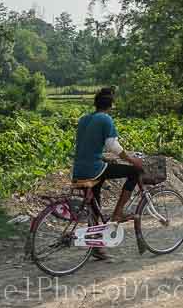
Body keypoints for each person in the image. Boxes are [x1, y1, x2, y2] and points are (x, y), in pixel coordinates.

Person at [72, 87, 143, 255]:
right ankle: (118, 213)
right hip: (94, 169)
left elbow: (87, 146)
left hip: (79, 169)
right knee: (134, 172)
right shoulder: (105, 119)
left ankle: (96, 245)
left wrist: (102, 157)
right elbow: (113, 146)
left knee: (93, 203)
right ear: (110, 105)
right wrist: (132, 160)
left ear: (96, 103)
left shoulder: (84, 119)